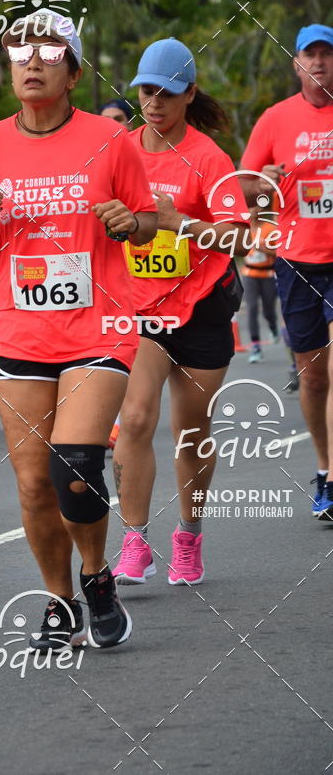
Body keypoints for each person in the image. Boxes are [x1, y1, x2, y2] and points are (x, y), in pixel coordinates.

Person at [0, 8, 157, 650]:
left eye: (47, 52)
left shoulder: (110, 139)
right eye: (19, 52)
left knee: (75, 464)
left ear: (71, 70)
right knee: (35, 484)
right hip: (19, 333)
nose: (32, 61)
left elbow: (148, 225)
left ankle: (97, 576)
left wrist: (129, 221)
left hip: (98, 328)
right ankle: (60, 599)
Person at [111, 38, 249, 588]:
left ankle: (189, 538)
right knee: (137, 421)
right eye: (147, 90)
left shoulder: (209, 157)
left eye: (168, 92)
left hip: (200, 310)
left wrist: (179, 225)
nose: (155, 101)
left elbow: (237, 238)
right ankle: (134, 541)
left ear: (190, 94)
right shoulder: (119, 149)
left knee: (190, 431)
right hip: (139, 311)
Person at [239, 23, 333, 521]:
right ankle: (323, 468)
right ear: (296, 64)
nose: (319, 62)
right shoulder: (275, 120)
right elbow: (248, 199)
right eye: (309, 55)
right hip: (296, 261)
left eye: (326, 54)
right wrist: (262, 185)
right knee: (314, 379)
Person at [241, 204, 279, 362]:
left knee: (269, 308)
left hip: (268, 273)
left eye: (256, 208)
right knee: (251, 308)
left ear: (262, 210)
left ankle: (272, 326)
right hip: (249, 273)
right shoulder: (243, 228)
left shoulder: (270, 229)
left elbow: (279, 252)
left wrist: (263, 249)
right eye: (249, 208)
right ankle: (256, 346)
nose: (252, 211)